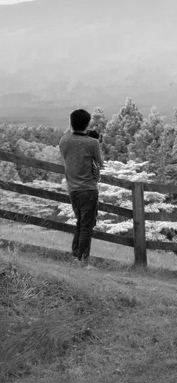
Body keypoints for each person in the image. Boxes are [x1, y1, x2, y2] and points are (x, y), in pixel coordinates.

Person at [58, 108, 104, 268]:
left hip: (73, 189)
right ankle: (82, 261)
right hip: (88, 189)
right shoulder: (92, 143)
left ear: (71, 123)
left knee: (80, 223)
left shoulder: (63, 141)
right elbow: (100, 164)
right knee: (87, 226)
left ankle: (76, 255)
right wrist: (94, 141)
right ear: (87, 123)